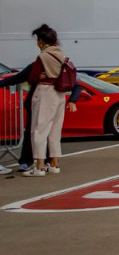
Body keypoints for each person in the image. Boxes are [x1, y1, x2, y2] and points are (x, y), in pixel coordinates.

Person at [22, 24, 73, 176]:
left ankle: (39, 166)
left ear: (41, 41)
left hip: (44, 91)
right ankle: (54, 164)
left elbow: (32, 77)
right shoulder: (62, 55)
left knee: (39, 129)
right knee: (55, 129)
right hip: (60, 93)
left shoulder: (43, 56)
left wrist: (39, 76)